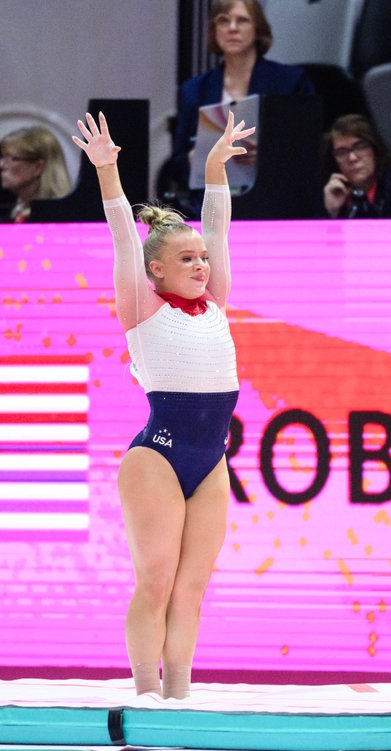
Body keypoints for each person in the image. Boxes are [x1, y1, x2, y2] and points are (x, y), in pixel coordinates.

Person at [73, 109, 254, 699]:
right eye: (187, 260)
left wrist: (214, 168)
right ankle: (145, 695)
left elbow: (218, 230)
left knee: (192, 587)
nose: (202, 265)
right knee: (155, 581)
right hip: (157, 458)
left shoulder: (217, 302)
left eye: (202, 260)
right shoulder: (142, 308)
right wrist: (108, 172)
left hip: (211, 460)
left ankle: (178, 695)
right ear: (156, 271)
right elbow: (123, 235)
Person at [167, 0, 313, 209]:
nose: (232, 28)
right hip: (208, 203)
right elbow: (175, 165)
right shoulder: (193, 90)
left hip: (274, 202)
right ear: (214, 30)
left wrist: (266, 156)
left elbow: (306, 151)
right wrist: (194, 159)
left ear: (258, 30)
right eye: (223, 21)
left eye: (242, 20)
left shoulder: (290, 82)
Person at [322, 114, 391, 219]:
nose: (352, 158)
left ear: (375, 149)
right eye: (341, 152)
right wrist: (330, 211)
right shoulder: (329, 191)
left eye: (360, 147)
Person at [0, 126, 72, 222]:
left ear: (38, 167)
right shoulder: (19, 210)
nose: (1, 165)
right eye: (3, 157)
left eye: (12, 159)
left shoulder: (56, 217)